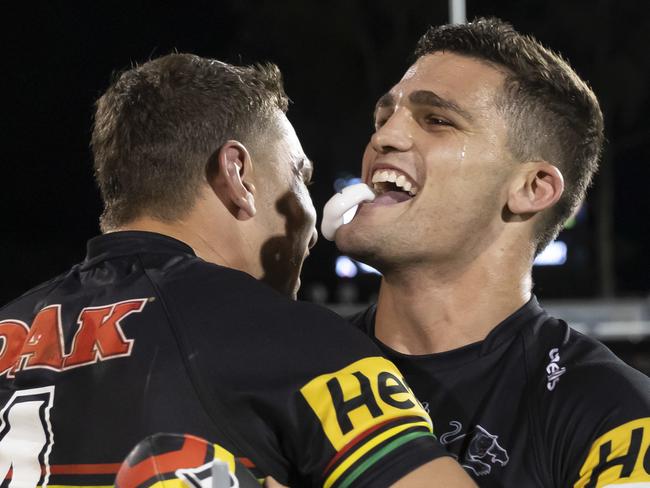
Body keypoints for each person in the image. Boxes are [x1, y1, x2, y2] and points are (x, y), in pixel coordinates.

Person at [0, 53, 475, 488]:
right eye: (298, 178)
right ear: (238, 176)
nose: (308, 220)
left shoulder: (9, 325)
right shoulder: (291, 341)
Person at [335, 17, 650, 487]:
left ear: (532, 188)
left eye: (437, 120)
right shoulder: (294, 366)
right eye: (383, 117)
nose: (384, 137)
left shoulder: (614, 412)